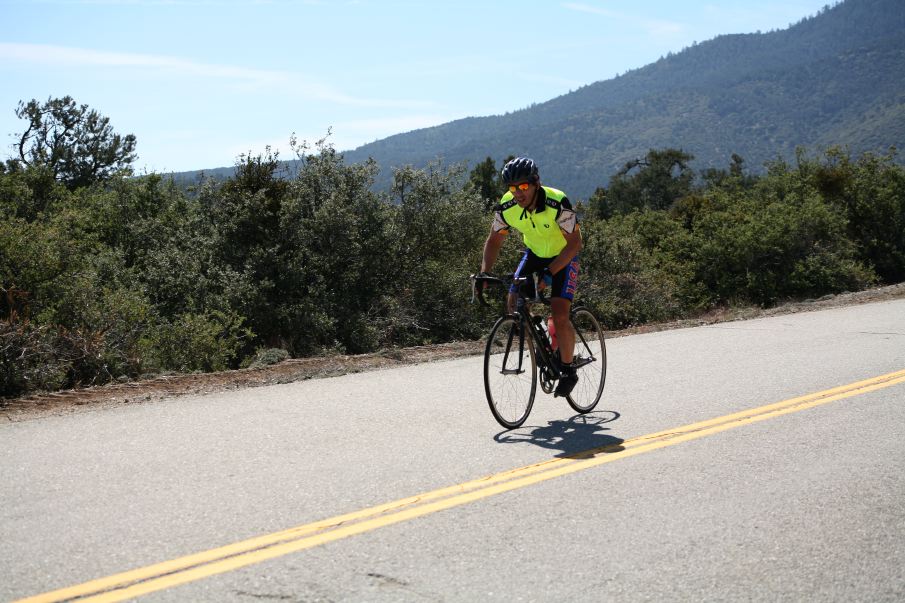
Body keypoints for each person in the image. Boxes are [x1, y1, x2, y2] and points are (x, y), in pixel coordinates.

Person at [480, 157, 583, 397]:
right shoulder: (507, 206)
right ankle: (541, 339)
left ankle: (568, 370)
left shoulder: (557, 201)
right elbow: (494, 240)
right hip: (535, 254)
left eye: (523, 186)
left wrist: (550, 273)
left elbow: (575, 244)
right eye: (512, 188)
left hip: (563, 255)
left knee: (559, 313)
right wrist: (484, 271)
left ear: (536, 183)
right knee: (513, 301)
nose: (518, 193)